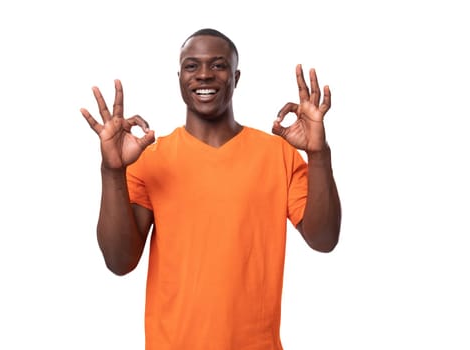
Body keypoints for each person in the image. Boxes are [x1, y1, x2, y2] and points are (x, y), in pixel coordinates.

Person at [80, 28, 341, 350]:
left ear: (236, 77)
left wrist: (318, 154)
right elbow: (120, 262)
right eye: (192, 66)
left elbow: (325, 239)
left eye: (218, 65)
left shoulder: (276, 154)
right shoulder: (150, 158)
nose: (204, 75)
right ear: (179, 77)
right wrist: (112, 171)